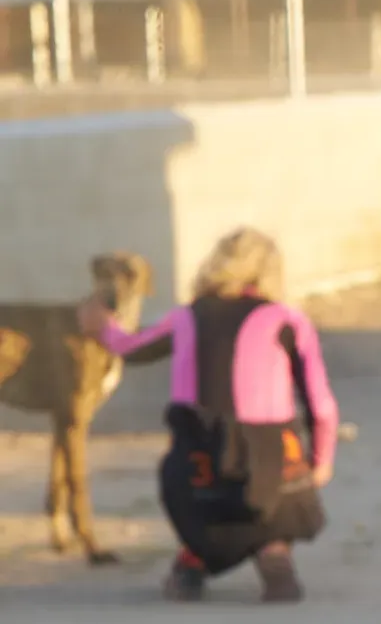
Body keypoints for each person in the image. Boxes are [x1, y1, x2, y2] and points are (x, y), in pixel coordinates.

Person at [78, 226, 338, 602]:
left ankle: (192, 563)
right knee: (277, 497)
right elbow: (321, 404)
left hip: (198, 457)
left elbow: (132, 348)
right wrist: (322, 459)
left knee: (203, 498)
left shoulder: (186, 317)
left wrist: (102, 326)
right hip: (273, 458)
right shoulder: (286, 320)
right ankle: (273, 551)